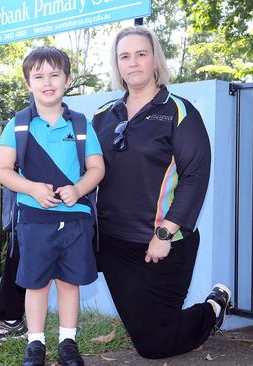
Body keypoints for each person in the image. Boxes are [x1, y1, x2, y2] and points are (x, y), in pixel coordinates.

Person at [91, 26, 231, 359]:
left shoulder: (179, 112)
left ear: (155, 59)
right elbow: (85, 173)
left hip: (163, 242)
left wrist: (165, 232)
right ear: (117, 64)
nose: (133, 63)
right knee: (34, 240)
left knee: (155, 346)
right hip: (112, 243)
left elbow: (195, 176)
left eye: (141, 54)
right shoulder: (101, 117)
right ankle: (9, 317)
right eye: (125, 56)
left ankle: (212, 308)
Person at [0, 46, 105, 366]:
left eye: (54, 75)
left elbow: (97, 168)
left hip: (75, 219)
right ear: (28, 83)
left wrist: (79, 189)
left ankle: (68, 342)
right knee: (36, 282)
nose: (47, 82)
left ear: (67, 80)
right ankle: (35, 343)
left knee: (69, 282)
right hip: (33, 217)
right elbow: (2, 171)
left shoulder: (82, 125)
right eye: (38, 76)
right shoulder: (17, 125)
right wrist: (31, 187)